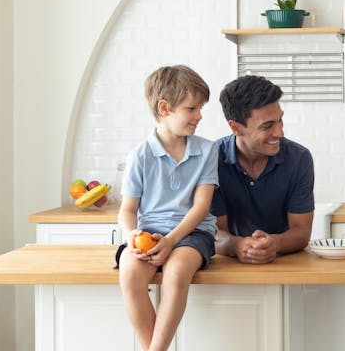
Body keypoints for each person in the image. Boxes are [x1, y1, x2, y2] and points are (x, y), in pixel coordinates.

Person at [117, 65, 219, 351]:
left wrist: (172, 240)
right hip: (149, 233)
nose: (199, 116)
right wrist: (131, 235)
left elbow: (201, 207)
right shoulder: (140, 154)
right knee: (129, 273)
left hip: (192, 233)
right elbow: (127, 210)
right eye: (192, 108)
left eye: (200, 108)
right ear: (165, 107)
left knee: (176, 274)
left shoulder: (208, 150)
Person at [211, 75, 314, 264]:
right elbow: (212, 232)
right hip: (229, 267)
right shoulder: (211, 160)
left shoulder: (299, 159)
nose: (280, 133)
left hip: (283, 263)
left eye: (280, 120)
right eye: (268, 126)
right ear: (236, 128)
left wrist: (273, 243)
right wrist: (236, 245)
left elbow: (301, 231)